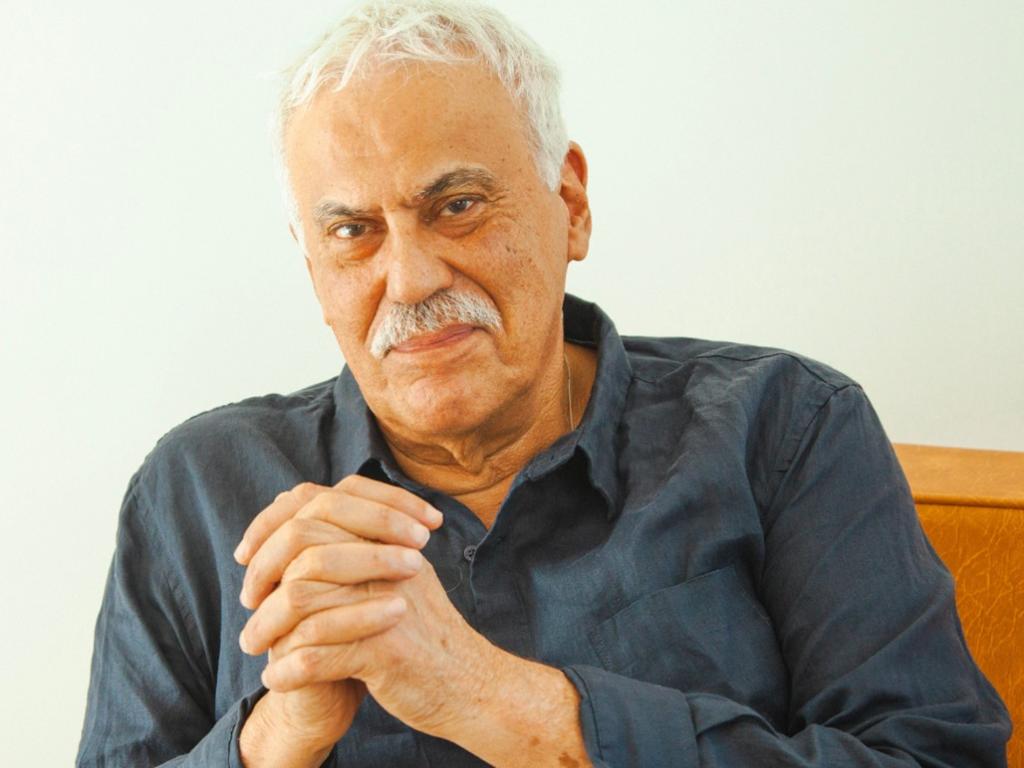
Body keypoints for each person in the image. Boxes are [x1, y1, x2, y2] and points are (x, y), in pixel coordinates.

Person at [76, 1, 1012, 766]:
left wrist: (497, 701)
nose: (411, 280)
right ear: (311, 264)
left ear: (570, 204)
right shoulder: (197, 491)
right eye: (353, 232)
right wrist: (276, 736)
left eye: (457, 206)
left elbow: (934, 756)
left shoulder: (787, 429)